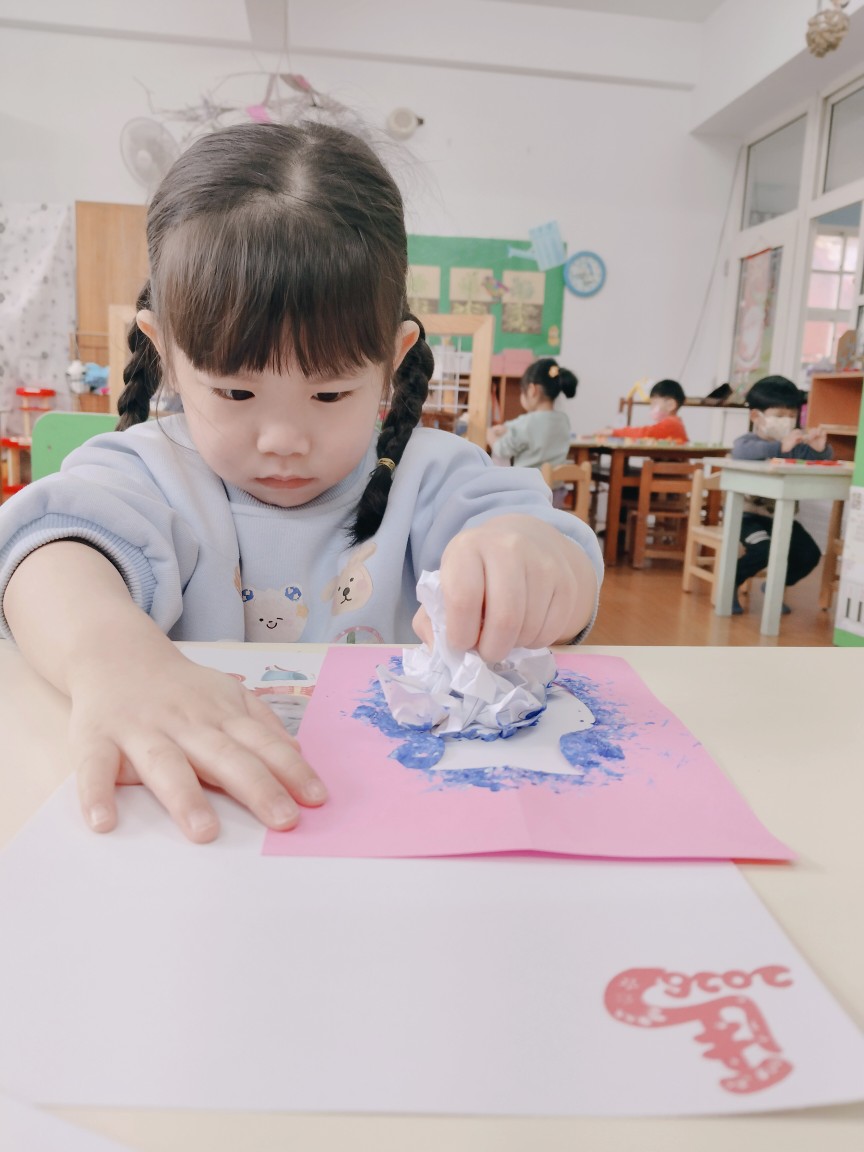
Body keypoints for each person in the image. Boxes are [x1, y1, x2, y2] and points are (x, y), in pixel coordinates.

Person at [0, 123, 602, 845]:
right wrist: (112, 658)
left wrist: (533, 563)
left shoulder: (431, 475)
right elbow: (45, 554)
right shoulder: (150, 471)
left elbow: (558, 558)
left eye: (329, 394)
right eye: (235, 393)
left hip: (391, 821)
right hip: (197, 829)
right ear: (166, 353)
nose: (283, 439)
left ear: (392, 359)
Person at [730, 374, 831, 614]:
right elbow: (741, 451)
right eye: (779, 415)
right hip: (748, 518)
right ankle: (731, 583)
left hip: (782, 518)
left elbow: (817, 458)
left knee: (809, 554)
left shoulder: (796, 447)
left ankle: (775, 586)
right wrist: (779, 447)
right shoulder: (749, 442)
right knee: (763, 550)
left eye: (791, 415)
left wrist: (820, 450)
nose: (786, 421)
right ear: (756, 417)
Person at [487, 358, 577, 468]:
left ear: (532, 390)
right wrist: (507, 429)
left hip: (528, 479)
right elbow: (532, 430)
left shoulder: (527, 422)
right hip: (554, 479)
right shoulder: (563, 420)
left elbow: (502, 450)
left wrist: (489, 434)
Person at [597, 379, 688, 442]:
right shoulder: (674, 423)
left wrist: (614, 432)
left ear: (670, 405)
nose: (651, 408)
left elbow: (645, 433)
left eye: (654, 403)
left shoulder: (671, 424)